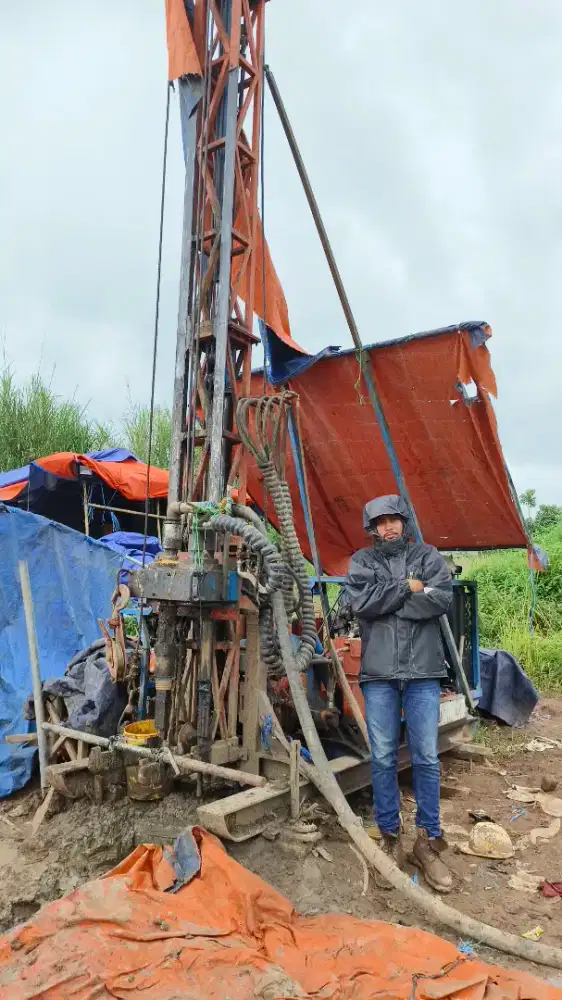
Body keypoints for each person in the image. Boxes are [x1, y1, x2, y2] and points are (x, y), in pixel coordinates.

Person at [344, 494, 453, 893]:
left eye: (393, 519)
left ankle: (427, 841)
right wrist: (409, 588)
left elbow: (441, 599)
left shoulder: (428, 556)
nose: (388, 526)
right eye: (380, 522)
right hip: (379, 675)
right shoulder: (363, 561)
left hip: (423, 672)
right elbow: (361, 603)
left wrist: (387, 600)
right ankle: (390, 836)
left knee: (425, 757)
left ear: (404, 521)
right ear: (372, 528)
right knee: (383, 757)